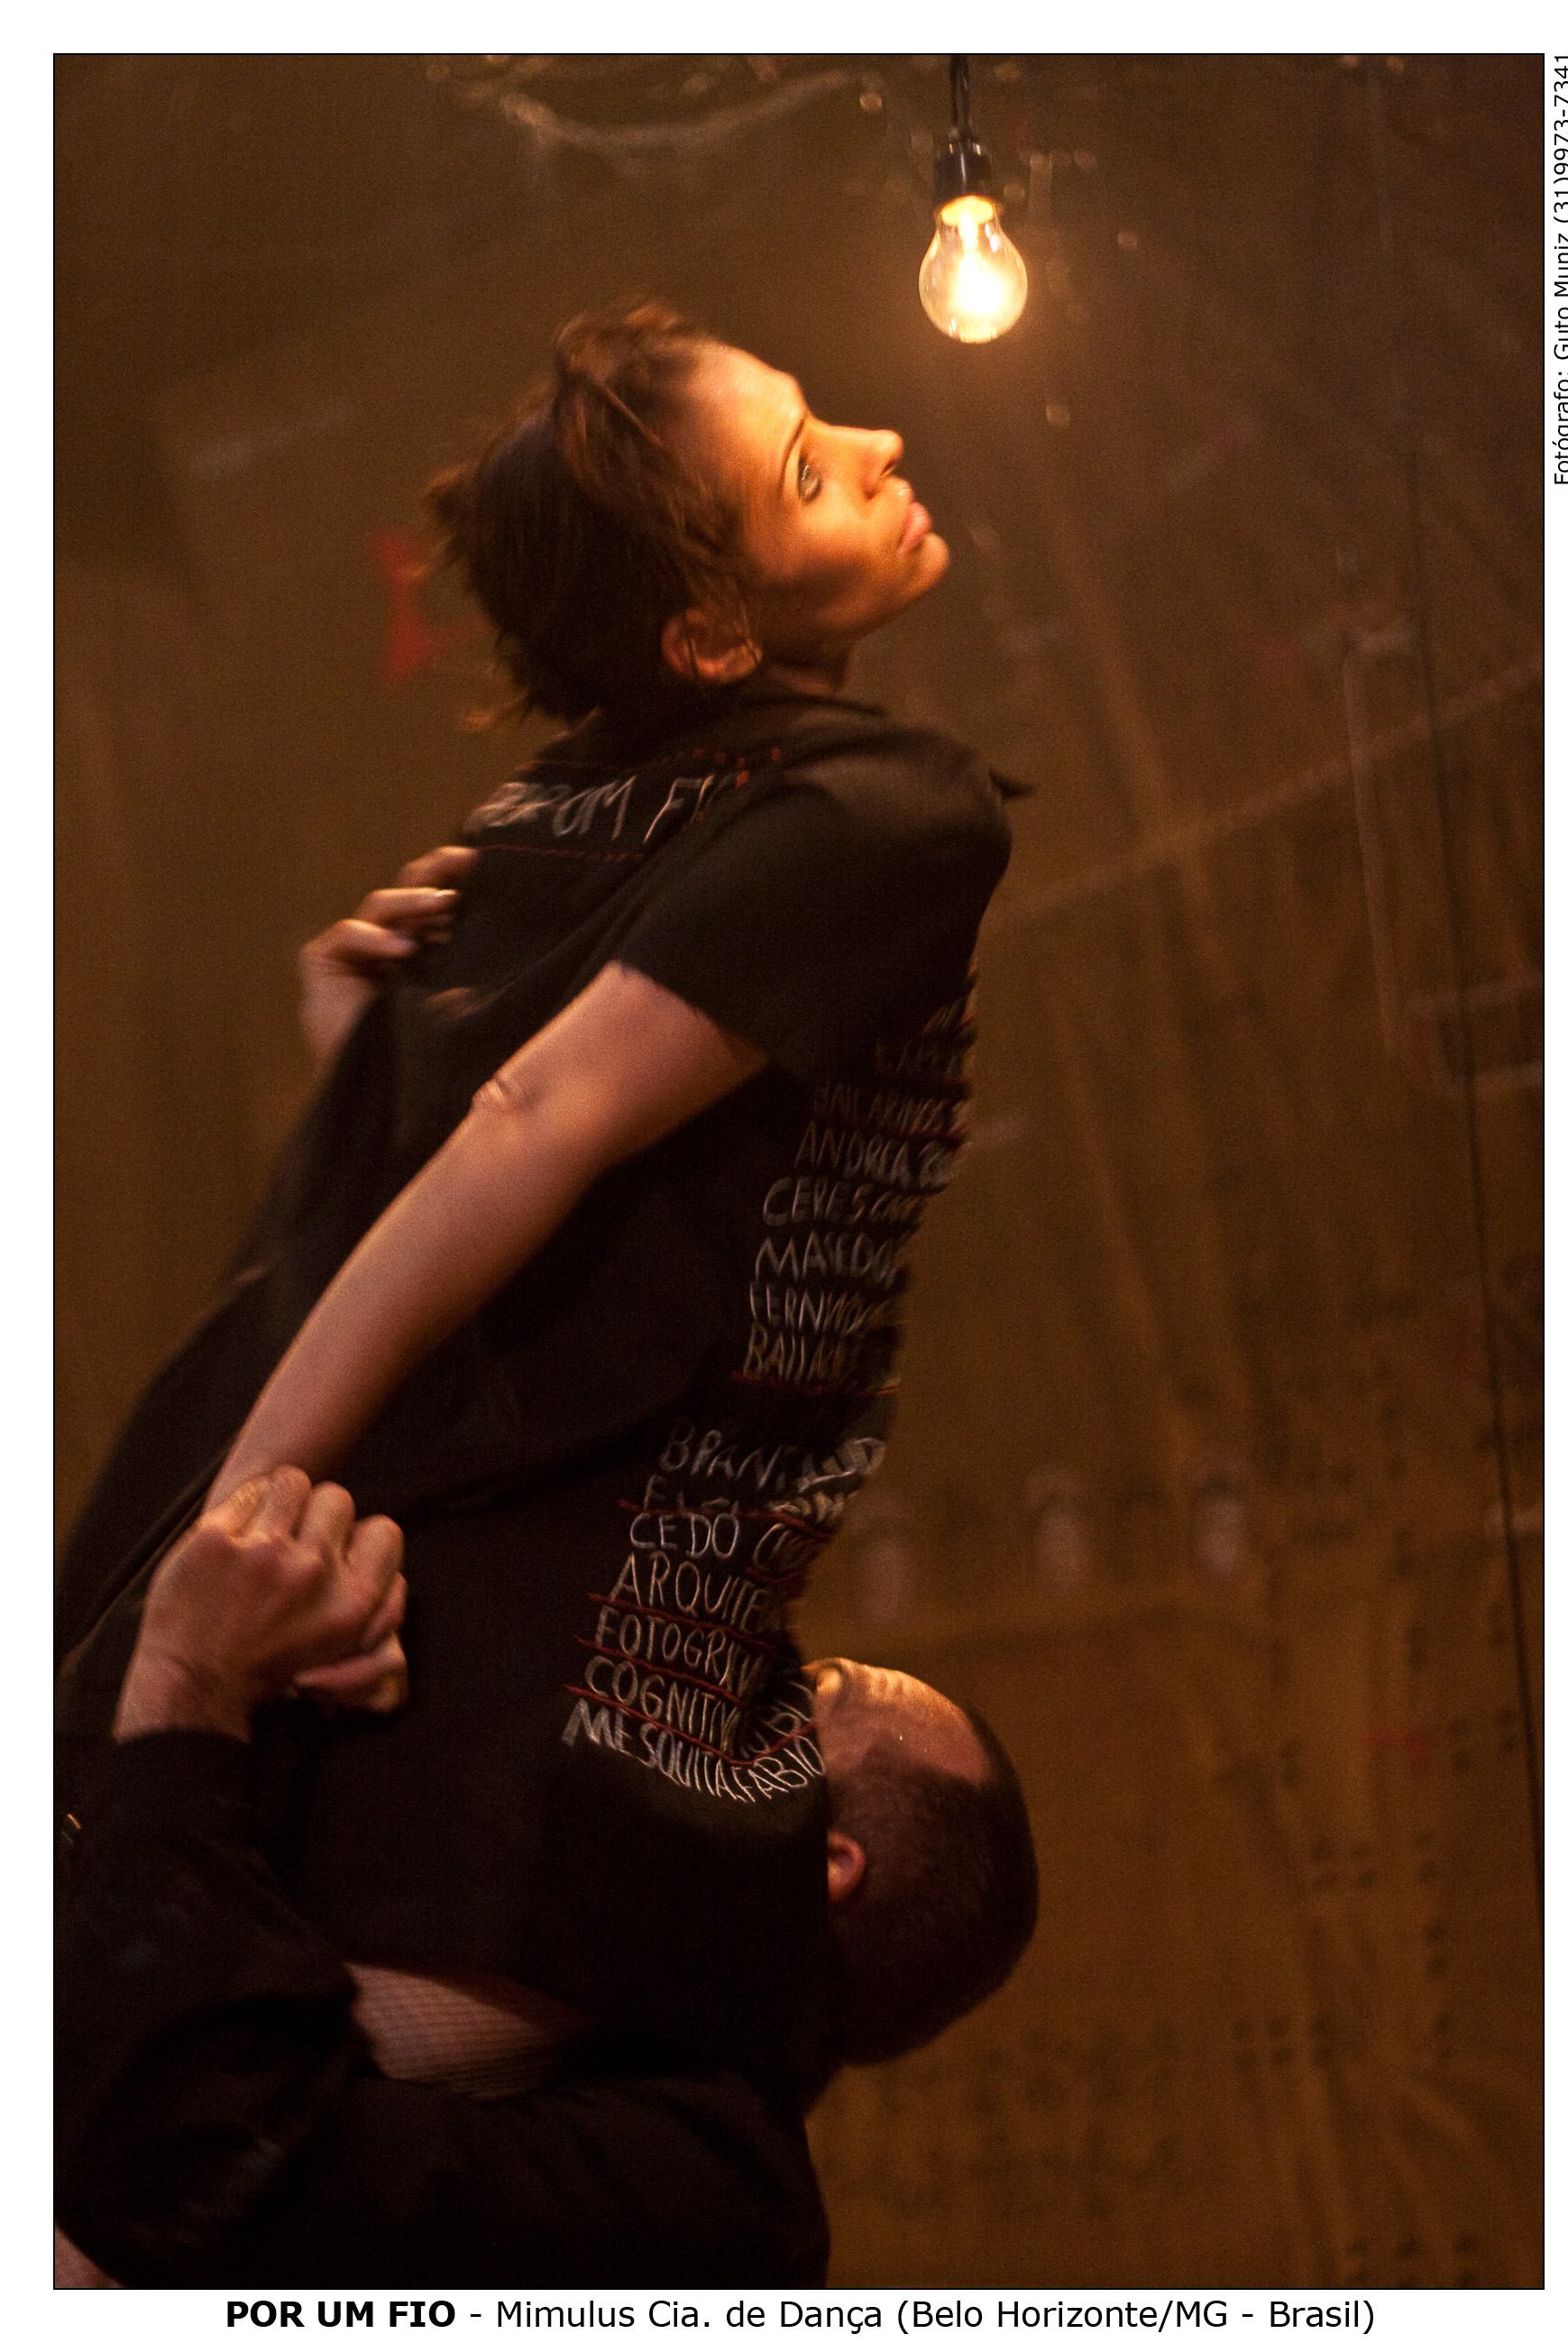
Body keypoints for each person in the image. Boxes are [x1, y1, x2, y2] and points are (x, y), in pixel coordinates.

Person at [56, 300, 1022, 2087]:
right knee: (186, 2102)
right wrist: (229, 1538)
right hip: (458, 1575)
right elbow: (529, 1124)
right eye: (811, 467)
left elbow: (484, 1138)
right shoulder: (900, 810)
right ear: (707, 633)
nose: (882, 444)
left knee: (153, 2053)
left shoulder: (561, 815)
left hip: (330, 1491)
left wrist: (360, 1070)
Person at [56, 1471, 1039, 2286]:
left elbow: (209, 2168)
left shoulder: (716, 2214)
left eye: (798, 1702)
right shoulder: (582, 1978)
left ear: (824, 1863)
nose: (723, 1696)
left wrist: (189, 1684)